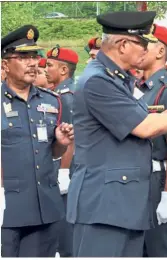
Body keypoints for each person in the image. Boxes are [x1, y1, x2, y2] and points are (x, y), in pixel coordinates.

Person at [66, 11, 167, 257]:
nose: (146, 49)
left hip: (122, 206)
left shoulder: (117, 80)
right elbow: (145, 127)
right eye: (142, 43)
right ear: (123, 45)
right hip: (104, 207)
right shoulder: (98, 81)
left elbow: (145, 117)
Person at [1, 25, 74, 257]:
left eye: (34, 56)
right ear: (5, 64)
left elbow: (52, 153)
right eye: (23, 57)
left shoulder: (53, 102)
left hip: (44, 209)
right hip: (7, 209)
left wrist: (61, 143)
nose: (32, 63)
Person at [135, 23, 167, 257]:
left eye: (146, 44)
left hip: (160, 181)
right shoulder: (139, 89)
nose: (140, 49)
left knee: (161, 250)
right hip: (139, 179)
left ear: (159, 52)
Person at [45, 47, 78, 257]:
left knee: (65, 235)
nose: (45, 69)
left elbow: (71, 137)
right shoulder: (56, 95)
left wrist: (64, 171)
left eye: (50, 65)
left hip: (65, 171)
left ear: (64, 69)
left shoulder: (66, 98)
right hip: (55, 168)